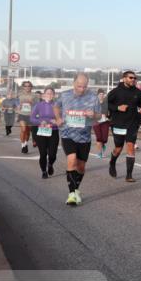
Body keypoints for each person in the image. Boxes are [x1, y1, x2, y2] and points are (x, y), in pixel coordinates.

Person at [54, 74, 100, 205]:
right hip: (67, 133)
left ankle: (76, 189)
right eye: (79, 86)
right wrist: (58, 118)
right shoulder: (64, 95)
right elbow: (56, 106)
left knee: (81, 167)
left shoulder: (93, 97)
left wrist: (94, 114)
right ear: (74, 83)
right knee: (71, 159)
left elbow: (99, 115)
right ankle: (72, 194)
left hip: (84, 136)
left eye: (84, 86)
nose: (82, 89)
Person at [107, 71, 141, 182]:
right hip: (118, 123)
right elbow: (106, 104)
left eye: (134, 78)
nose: (133, 79)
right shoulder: (115, 92)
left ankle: (129, 175)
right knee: (118, 149)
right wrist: (118, 108)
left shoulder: (138, 93)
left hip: (132, 124)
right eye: (130, 77)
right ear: (124, 78)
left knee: (130, 147)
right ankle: (112, 162)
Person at [30, 87, 60, 178]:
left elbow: (62, 119)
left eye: (51, 93)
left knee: (52, 154)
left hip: (53, 131)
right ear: (44, 95)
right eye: (47, 93)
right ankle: (44, 171)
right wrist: (40, 122)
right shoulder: (38, 105)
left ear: (54, 95)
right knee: (43, 153)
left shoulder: (57, 106)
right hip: (42, 131)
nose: (49, 95)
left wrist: (57, 121)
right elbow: (32, 118)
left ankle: (50, 164)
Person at [15, 81, 38, 151]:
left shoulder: (34, 95)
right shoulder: (19, 94)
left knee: (27, 132)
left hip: (30, 115)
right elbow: (15, 102)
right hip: (22, 114)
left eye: (29, 86)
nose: (27, 87)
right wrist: (18, 106)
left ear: (31, 87)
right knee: (23, 129)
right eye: (26, 86)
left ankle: (26, 143)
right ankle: (23, 145)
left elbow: (37, 105)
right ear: (23, 87)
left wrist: (32, 104)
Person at [93, 89, 110, 158]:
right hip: (96, 122)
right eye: (100, 94)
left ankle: (103, 145)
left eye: (102, 94)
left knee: (104, 139)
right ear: (97, 95)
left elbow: (111, 112)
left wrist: (109, 117)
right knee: (99, 138)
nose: (101, 96)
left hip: (105, 122)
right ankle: (99, 153)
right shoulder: (94, 103)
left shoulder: (107, 103)